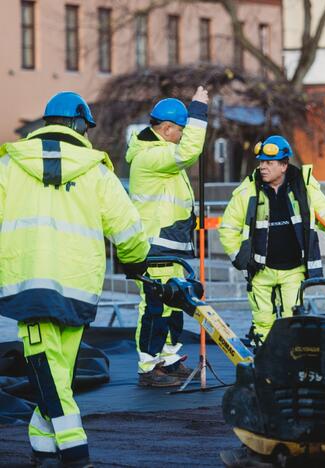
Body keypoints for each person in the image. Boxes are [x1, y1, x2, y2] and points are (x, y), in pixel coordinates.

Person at [0, 92, 149, 467]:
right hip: (79, 284)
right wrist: (136, 261)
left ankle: (60, 445)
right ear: (82, 125)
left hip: (27, 281)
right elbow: (129, 232)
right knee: (56, 367)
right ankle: (66, 444)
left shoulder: (9, 166)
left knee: (53, 370)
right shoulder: (97, 171)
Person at [219, 135, 325, 345]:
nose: (263, 167)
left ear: (283, 165)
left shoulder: (303, 186)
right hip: (260, 271)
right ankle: (263, 366)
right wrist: (241, 259)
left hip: (293, 270)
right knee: (263, 322)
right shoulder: (247, 191)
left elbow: (324, 211)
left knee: (294, 320)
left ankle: (291, 364)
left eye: (269, 163)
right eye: (261, 162)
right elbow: (228, 228)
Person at [126, 86, 208, 386]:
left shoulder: (161, 154)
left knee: (173, 303)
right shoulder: (151, 156)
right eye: (182, 130)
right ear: (168, 128)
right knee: (154, 306)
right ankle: (149, 365)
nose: (184, 136)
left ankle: (168, 359)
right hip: (156, 245)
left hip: (170, 245)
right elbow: (190, 152)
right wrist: (199, 111)